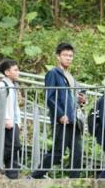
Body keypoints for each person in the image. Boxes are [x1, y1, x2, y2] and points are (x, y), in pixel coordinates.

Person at [31, 42, 85, 179]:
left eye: (71, 56)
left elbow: (72, 97)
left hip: (73, 120)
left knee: (77, 153)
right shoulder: (53, 73)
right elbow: (49, 97)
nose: (68, 58)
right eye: (65, 55)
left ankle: (74, 181)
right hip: (62, 120)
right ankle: (35, 176)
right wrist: (60, 114)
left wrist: (81, 100)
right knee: (57, 152)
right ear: (58, 56)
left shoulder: (70, 76)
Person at [0, 59, 21, 179]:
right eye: (15, 70)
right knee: (14, 146)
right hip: (7, 122)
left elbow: (15, 106)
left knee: (14, 148)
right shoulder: (2, 85)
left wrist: (18, 121)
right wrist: (6, 119)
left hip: (14, 122)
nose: (18, 72)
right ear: (7, 72)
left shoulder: (13, 85)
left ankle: (12, 174)